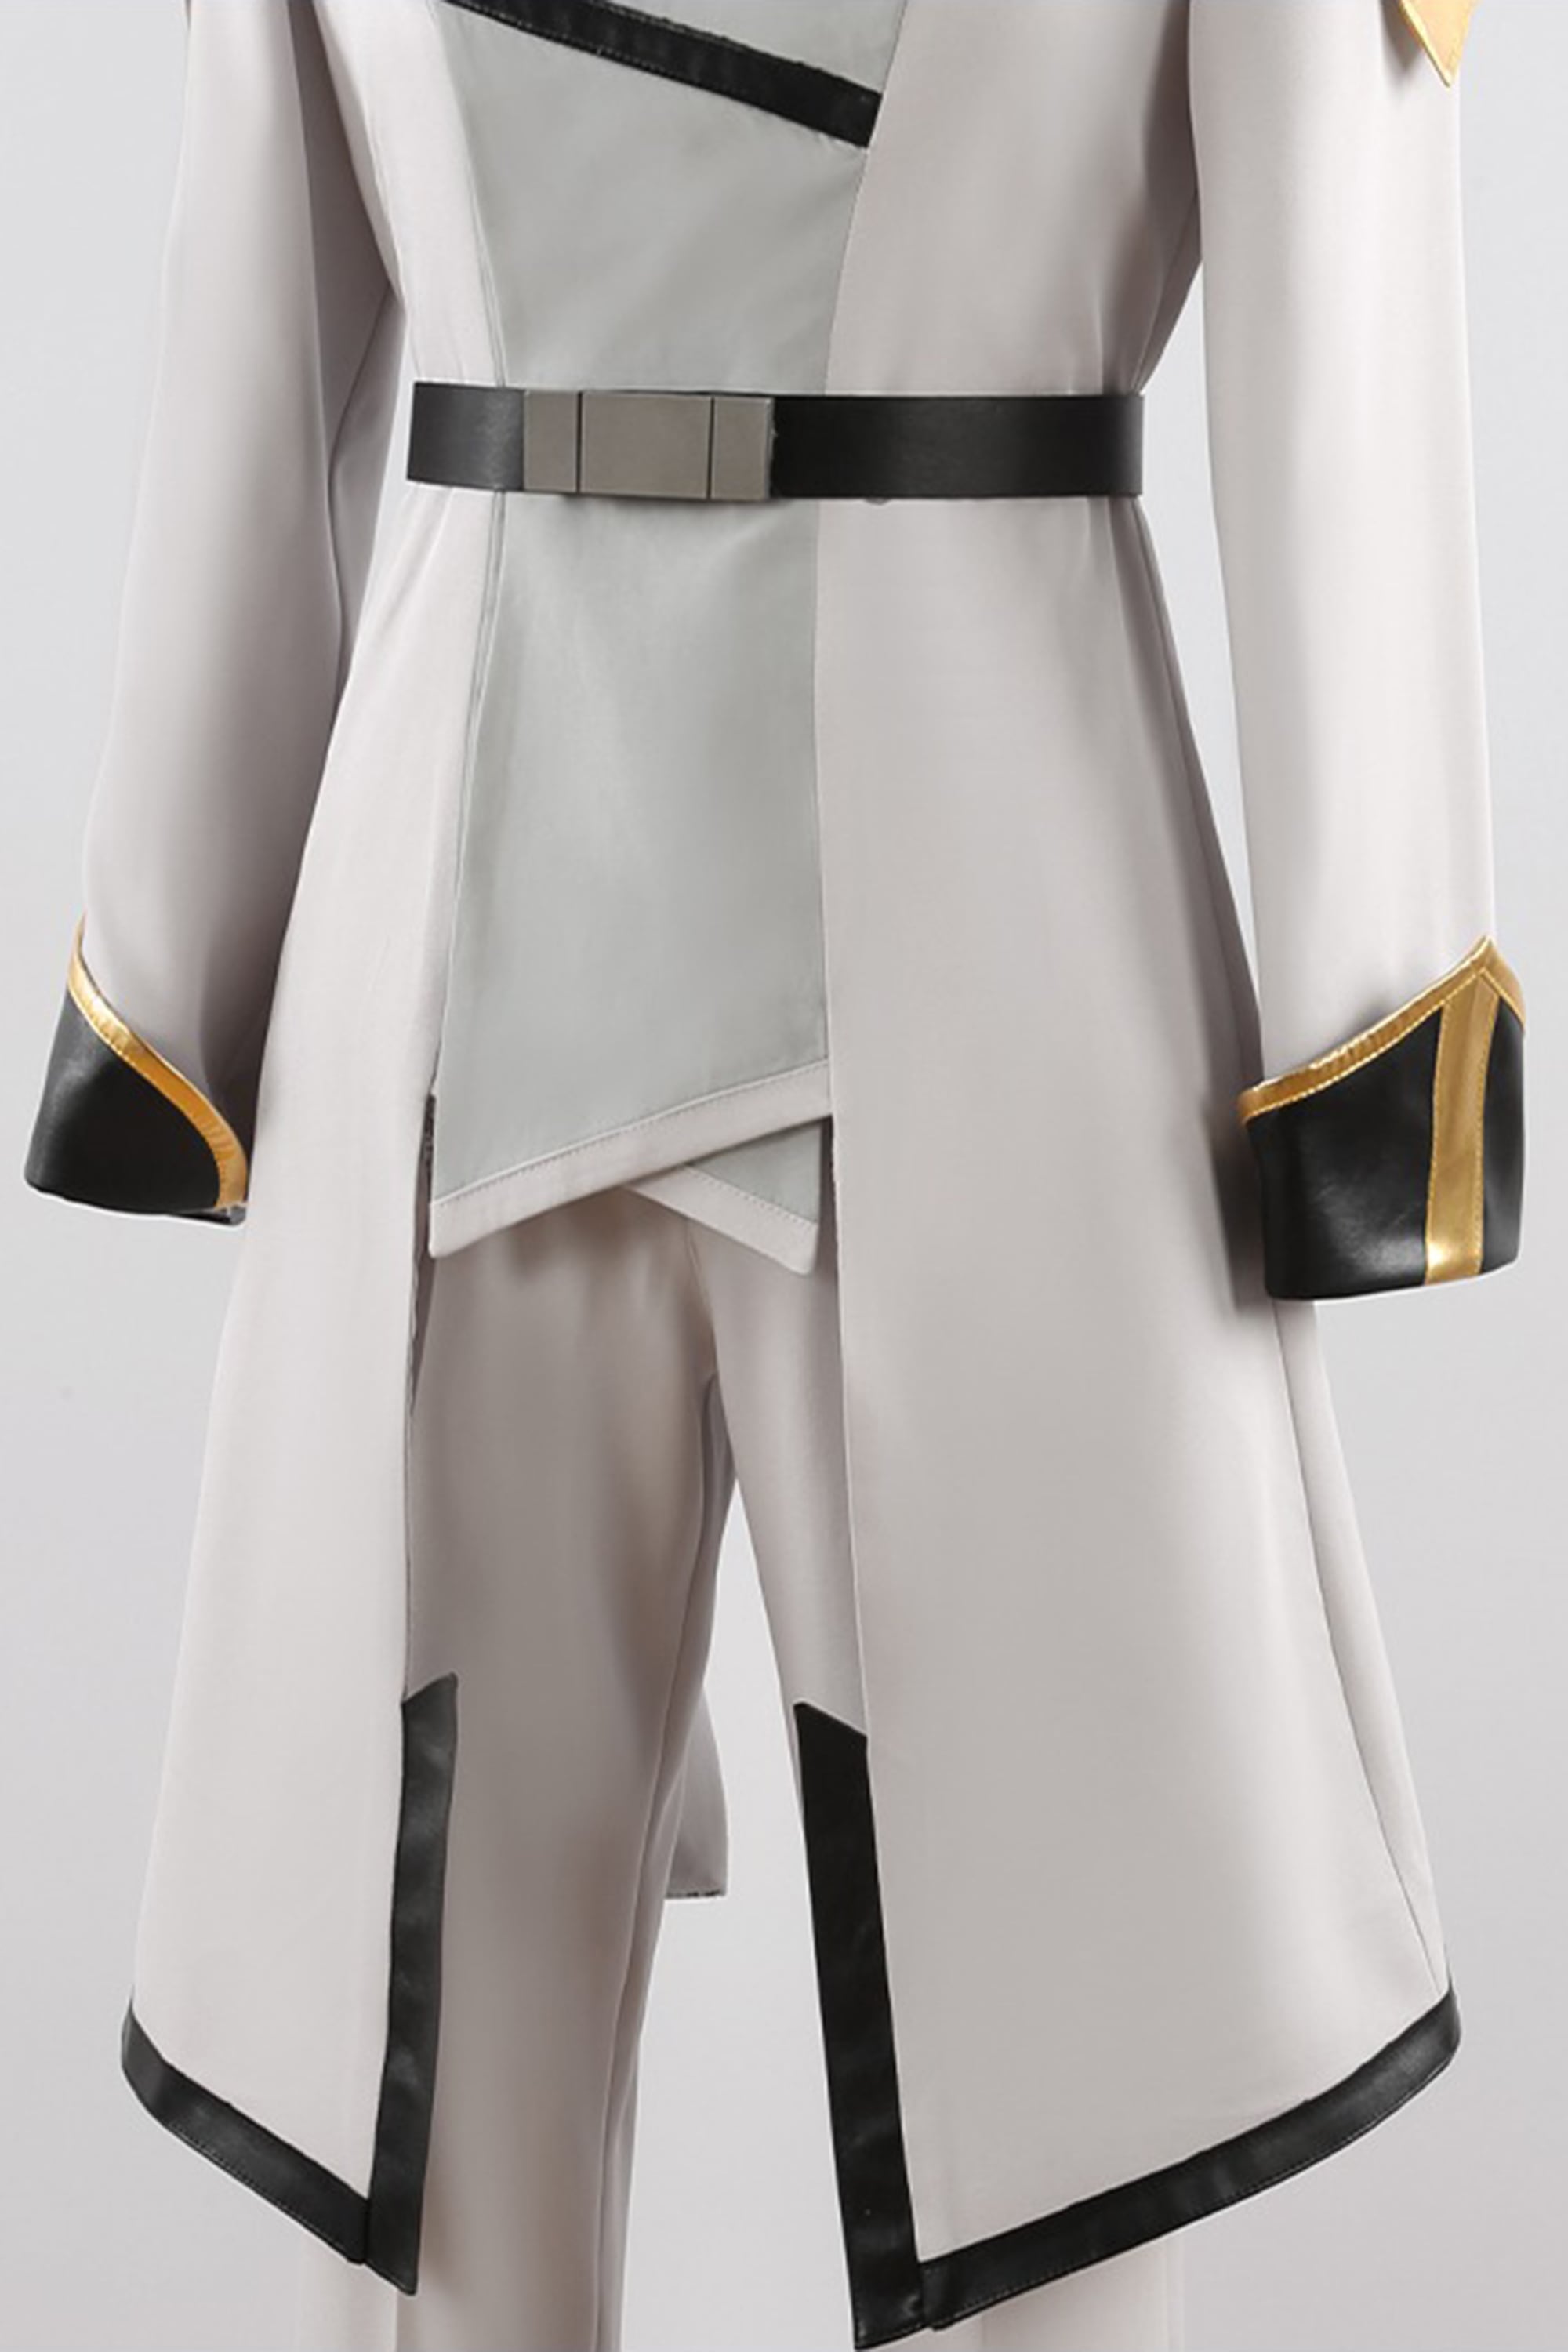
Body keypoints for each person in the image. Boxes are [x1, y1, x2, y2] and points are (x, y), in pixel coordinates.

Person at [24, 2, 1523, 2346]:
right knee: (439, 2067)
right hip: (478, 994)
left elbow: (1336, 341)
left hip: (989, 979)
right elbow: (259, 328)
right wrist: (174, 959)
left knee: (1052, 2046)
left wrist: (1381, 1001)